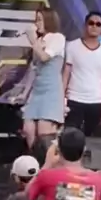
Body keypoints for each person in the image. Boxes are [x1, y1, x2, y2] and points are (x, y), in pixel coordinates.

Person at [63, 11, 101, 136]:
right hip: (74, 99)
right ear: (85, 25)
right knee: (70, 137)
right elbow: (66, 74)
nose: (94, 26)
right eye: (91, 23)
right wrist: (61, 99)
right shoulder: (72, 46)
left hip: (96, 101)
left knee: (93, 139)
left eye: (98, 24)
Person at [22, 8, 66, 150]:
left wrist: (32, 40)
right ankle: (34, 158)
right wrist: (24, 93)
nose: (37, 23)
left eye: (40, 20)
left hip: (51, 90)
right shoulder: (39, 41)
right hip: (37, 90)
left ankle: (47, 160)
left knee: (44, 131)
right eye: (36, 20)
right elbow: (33, 68)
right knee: (28, 129)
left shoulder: (58, 38)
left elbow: (44, 57)